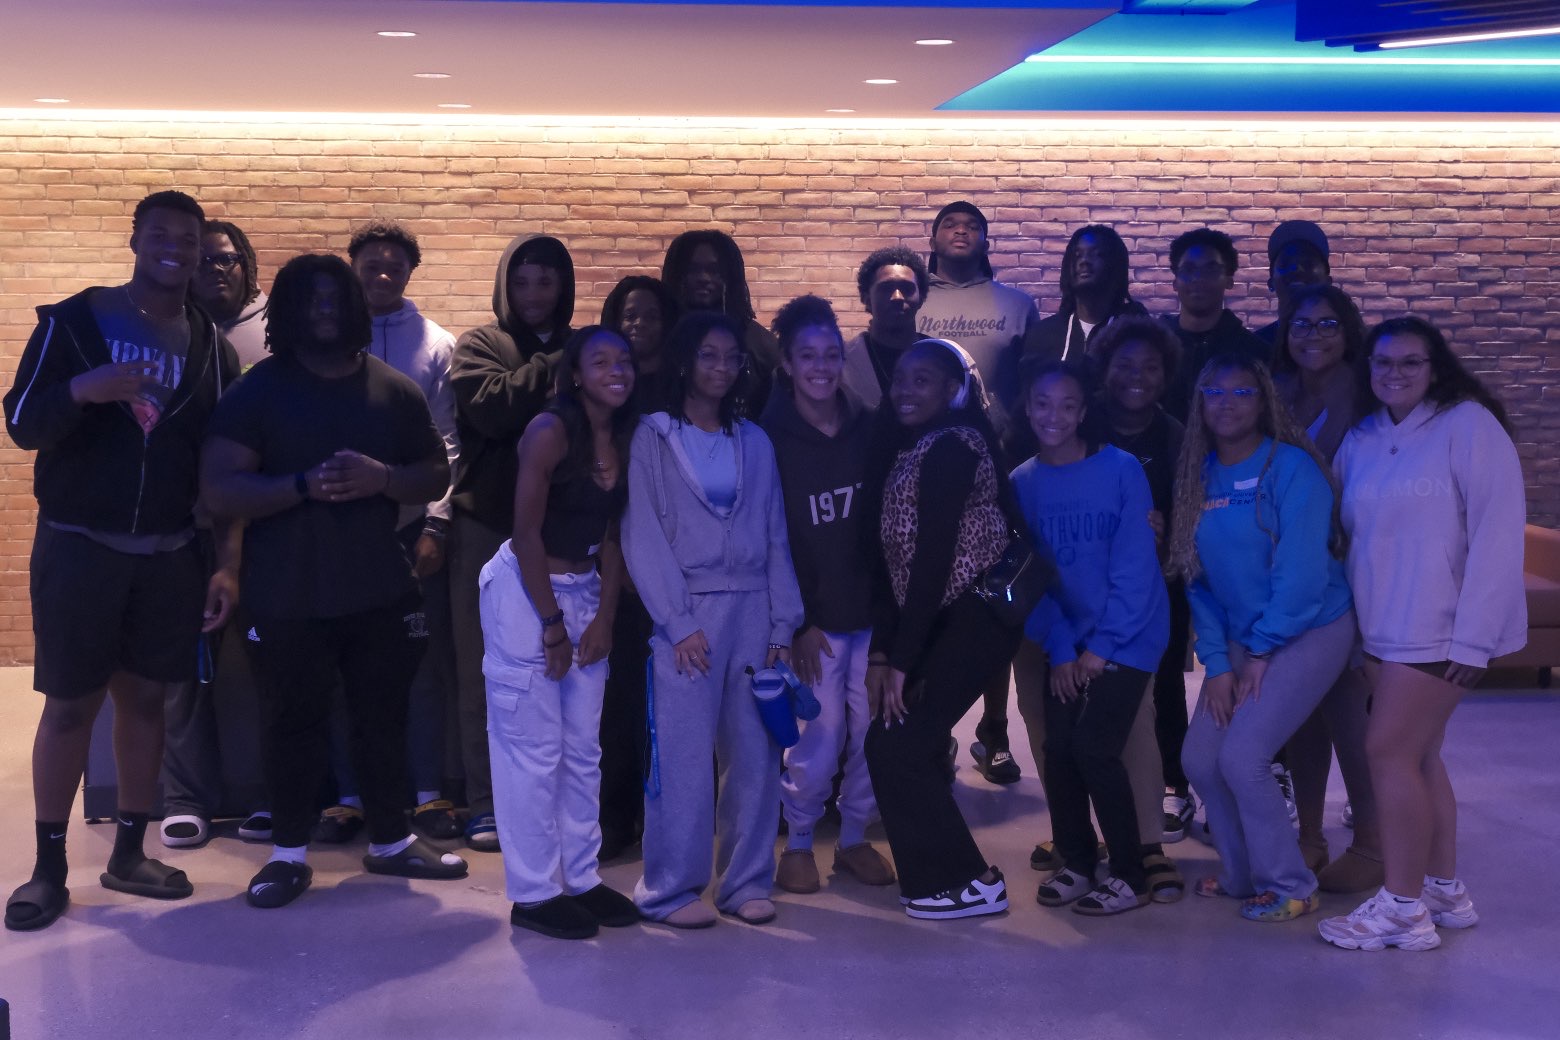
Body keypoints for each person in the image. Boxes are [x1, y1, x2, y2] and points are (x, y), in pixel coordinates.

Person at [3, 190, 241, 932]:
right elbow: (20, 422)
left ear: (201, 252)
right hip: (79, 545)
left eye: (189, 239)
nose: (176, 248)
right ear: (135, 240)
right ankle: (47, 870)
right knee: (71, 704)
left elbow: (223, 466)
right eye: (161, 234)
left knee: (146, 702)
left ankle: (129, 854)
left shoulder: (211, 347)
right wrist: (84, 388)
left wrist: (225, 562)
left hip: (171, 552)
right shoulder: (74, 322)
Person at [201, 253, 467, 909]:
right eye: (310, 297)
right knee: (294, 722)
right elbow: (218, 487)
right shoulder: (259, 390)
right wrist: (299, 485)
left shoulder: (391, 390)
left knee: (382, 718)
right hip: (287, 593)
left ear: (352, 307)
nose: (324, 307)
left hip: (379, 587)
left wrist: (384, 479)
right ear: (288, 309)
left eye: (333, 296)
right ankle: (289, 855)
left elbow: (435, 474)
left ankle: (390, 840)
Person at [1320, 317, 1525, 952]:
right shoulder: (1361, 437)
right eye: (1383, 363)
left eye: (1410, 363)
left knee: (1386, 753)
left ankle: (1403, 910)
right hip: (1385, 631)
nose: (1395, 374)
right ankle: (1442, 889)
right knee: (1419, 757)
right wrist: (1358, 639)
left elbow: (1497, 534)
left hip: (1442, 631)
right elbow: (1350, 542)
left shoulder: (1468, 426)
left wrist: (1475, 640)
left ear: (1435, 367)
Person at [621, 312, 804, 928]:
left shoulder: (754, 440)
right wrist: (676, 620)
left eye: (731, 358)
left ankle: (746, 882)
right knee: (680, 758)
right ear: (683, 362)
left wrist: (784, 624)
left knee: (755, 753)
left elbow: (777, 535)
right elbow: (640, 533)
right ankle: (670, 889)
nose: (722, 368)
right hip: (689, 615)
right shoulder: (653, 435)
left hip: (755, 610)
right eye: (708, 356)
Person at [1172, 354, 1355, 923]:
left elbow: (1299, 580)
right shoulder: (1197, 477)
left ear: (1265, 402)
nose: (1227, 403)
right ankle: (1242, 873)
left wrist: (1259, 652)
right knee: (1201, 759)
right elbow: (1196, 579)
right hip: (1243, 641)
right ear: (1201, 405)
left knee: (1246, 757)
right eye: (1215, 392)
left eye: (1243, 392)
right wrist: (1219, 666)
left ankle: (1291, 883)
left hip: (1309, 627)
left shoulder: (1291, 468)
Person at [481, 326, 641, 940]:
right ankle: (533, 892)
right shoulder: (551, 430)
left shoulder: (627, 435)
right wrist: (551, 623)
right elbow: (525, 533)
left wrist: (602, 617)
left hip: (583, 591)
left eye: (623, 360)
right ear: (576, 374)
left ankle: (580, 876)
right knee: (531, 750)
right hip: (526, 590)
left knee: (582, 749)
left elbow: (614, 535)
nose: (616, 370)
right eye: (600, 361)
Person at [864, 338, 1024, 921]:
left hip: (974, 619)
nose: (905, 389)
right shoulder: (911, 448)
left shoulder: (955, 446)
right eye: (900, 378)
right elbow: (892, 564)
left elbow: (933, 559)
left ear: (953, 390)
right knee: (895, 743)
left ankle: (966, 880)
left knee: (900, 743)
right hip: (937, 621)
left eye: (922, 380)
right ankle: (941, 878)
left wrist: (901, 659)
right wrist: (887, 652)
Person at [1013, 363, 1168, 915]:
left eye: (1067, 405)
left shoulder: (1121, 469)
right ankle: (1078, 861)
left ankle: (1129, 873)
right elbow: (1032, 577)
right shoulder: (1023, 482)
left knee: (1095, 747)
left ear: (1083, 411)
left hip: (1128, 635)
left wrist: (1099, 651)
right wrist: (1061, 652)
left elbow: (1135, 566)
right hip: (1065, 643)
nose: (1054, 416)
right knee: (1058, 751)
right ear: (1027, 408)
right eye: (1042, 404)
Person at [758, 295, 894, 896]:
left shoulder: (871, 426)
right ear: (786, 363)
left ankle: (856, 838)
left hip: (869, 612)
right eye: (807, 355)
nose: (821, 366)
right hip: (812, 621)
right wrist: (799, 621)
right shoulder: (769, 437)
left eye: (831, 354)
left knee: (874, 732)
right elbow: (769, 539)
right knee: (819, 734)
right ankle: (801, 839)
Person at [336, 219, 463, 842]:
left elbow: (447, 442)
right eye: (371, 266)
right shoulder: (324, 336)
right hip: (338, 527)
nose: (383, 276)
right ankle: (350, 795)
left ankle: (428, 793)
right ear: (352, 267)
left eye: (395, 267)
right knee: (343, 663)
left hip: (412, 528)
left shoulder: (435, 343)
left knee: (419, 662)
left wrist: (437, 524)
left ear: (410, 273)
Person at [449, 233, 575, 852]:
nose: (533, 293)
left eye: (546, 280)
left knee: (558, 667)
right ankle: (484, 803)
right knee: (486, 669)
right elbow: (490, 411)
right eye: (521, 280)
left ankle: (551, 795)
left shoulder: (586, 349)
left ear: (564, 286)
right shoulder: (480, 344)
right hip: (487, 526)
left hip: (563, 531)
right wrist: (559, 366)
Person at [916, 201, 1040, 785]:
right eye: (949, 224)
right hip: (926, 473)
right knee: (932, 601)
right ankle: (933, 731)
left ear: (986, 239)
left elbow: (1030, 386)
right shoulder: (913, 300)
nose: (961, 230)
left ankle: (993, 732)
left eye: (972, 225)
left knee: (993, 603)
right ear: (934, 239)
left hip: (997, 471)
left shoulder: (1017, 306)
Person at [160, 218, 273, 849]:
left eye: (229, 260)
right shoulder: (166, 331)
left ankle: (261, 793)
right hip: (178, 526)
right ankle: (185, 798)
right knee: (183, 667)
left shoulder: (272, 334)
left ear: (248, 266)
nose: (217, 270)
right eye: (205, 261)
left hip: (256, 526)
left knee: (253, 665)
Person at [1269, 285, 1384, 893]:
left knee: (1350, 719)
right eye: (1300, 325)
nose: (1313, 335)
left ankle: (1373, 842)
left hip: (1355, 576)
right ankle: (1309, 837)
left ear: (1349, 331)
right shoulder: (1277, 395)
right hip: (1293, 574)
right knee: (1299, 717)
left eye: (1327, 324)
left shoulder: (1369, 396)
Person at [1082, 318, 1197, 845]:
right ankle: (1096, 802)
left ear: (1166, 374)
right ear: (1104, 369)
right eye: (1125, 364)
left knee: (1164, 684)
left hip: (1157, 586)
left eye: (1150, 367)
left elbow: (1193, 512)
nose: (1137, 376)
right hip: (1086, 584)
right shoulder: (1086, 425)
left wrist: (1166, 527)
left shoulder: (1176, 435)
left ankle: (1174, 787)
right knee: (1090, 690)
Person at [595, 274, 679, 860]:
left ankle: (668, 821)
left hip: (679, 565)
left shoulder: (679, 391)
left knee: (674, 704)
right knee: (620, 702)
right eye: (629, 315)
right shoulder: (605, 397)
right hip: (617, 566)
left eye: (651, 315)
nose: (639, 324)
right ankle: (616, 818)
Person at [660, 230, 780, 412]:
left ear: (731, 276)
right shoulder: (659, 335)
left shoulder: (760, 343)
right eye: (693, 270)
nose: (703, 278)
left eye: (714, 271)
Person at [1161, 228, 1270, 422]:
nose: (1198, 279)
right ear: (1175, 281)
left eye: (1210, 269)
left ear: (1229, 280)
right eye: (1188, 269)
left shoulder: (1254, 352)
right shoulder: (1157, 346)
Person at [1023, 224, 1148, 373]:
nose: (1084, 261)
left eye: (1097, 254)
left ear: (1114, 266)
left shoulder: (1135, 332)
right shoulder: (1043, 335)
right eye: (1077, 255)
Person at [841, 246, 929, 409]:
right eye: (885, 288)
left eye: (907, 288)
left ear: (922, 298)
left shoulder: (945, 357)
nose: (897, 297)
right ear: (866, 299)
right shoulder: (843, 364)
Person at [193, 220, 269, 370]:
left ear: (247, 266)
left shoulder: (278, 326)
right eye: (202, 262)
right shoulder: (177, 331)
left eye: (226, 259)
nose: (215, 268)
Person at [1255, 220, 1332, 348]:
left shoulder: (1349, 345)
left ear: (1327, 282)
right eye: (1286, 264)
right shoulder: (1254, 348)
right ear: (1271, 282)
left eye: (1308, 264)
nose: (1297, 269)